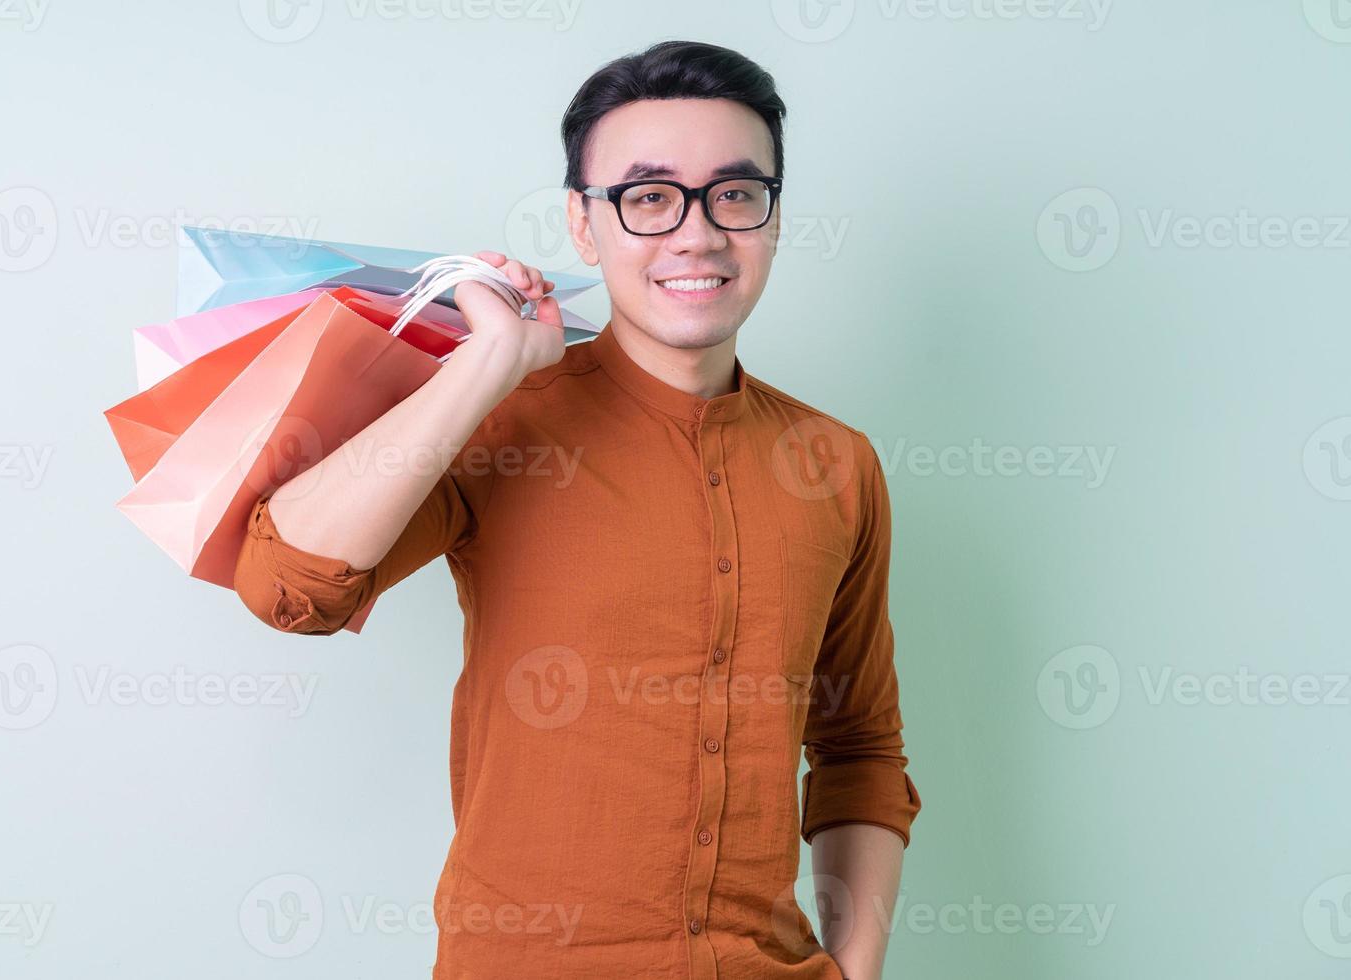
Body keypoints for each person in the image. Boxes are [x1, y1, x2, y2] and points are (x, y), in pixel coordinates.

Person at [233, 39, 920, 980]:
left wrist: (858, 967)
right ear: (584, 225)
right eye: (648, 197)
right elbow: (284, 588)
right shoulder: (502, 420)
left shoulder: (836, 464)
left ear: (770, 218)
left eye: (734, 193)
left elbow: (859, 748)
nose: (697, 233)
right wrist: (481, 367)